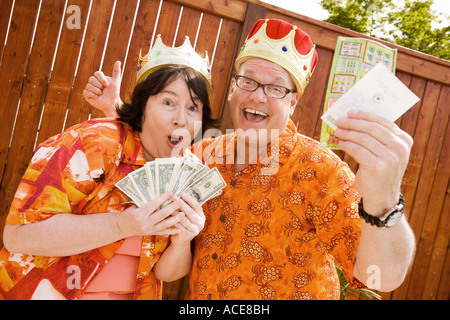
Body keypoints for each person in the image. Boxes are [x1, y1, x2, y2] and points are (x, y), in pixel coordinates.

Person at [83, 19, 416, 300]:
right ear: (232, 89)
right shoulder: (203, 155)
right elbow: (149, 157)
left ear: (293, 103)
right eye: (249, 81)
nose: (258, 95)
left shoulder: (322, 171)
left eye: (275, 88)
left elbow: (379, 278)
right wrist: (116, 111)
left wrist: (385, 200)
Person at [0, 35, 215, 300]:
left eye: (193, 108)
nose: (181, 119)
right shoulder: (94, 144)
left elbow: (164, 274)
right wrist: (121, 225)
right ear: (143, 106)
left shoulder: (189, 171)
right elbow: (17, 236)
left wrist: (182, 243)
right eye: (168, 102)